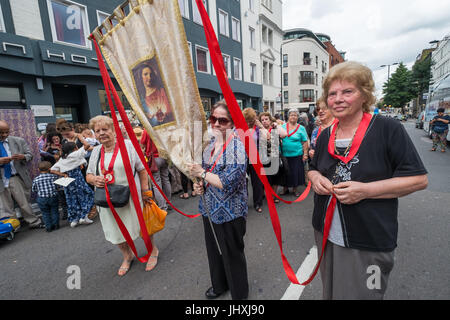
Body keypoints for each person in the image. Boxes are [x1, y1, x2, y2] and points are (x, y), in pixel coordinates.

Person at [308, 61, 428, 300]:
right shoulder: (325, 135)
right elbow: (312, 169)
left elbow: (418, 179)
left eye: (347, 91)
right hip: (326, 232)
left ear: (364, 94)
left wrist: (365, 191)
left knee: (365, 295)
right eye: (332, 94)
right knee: (330, 294)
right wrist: (315, 178)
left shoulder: (387, 129)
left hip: (368, 239)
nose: (338, 99)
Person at [188, 101, 249, 300]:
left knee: (232, 254)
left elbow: (227, 182)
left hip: (231, 211)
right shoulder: (210, 145)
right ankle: (219, 285)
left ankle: (239, 293)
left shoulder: (238, 147)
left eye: (222, 120)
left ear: (232, 123)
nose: (216, 124)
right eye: (213, 118)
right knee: (214, 251)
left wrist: (202, 173)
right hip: (209, 208)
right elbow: (207, 177)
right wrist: (199, 185)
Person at [86, 115, 158, 276]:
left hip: (132, 197)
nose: (102, 133)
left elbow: (142, 168)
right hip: (108, 200)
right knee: (115, 229)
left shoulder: (128, 146)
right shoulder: (96, 151)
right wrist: (94, 179)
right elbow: (88, 174)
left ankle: (152, 251)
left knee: (142, 225)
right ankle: (127, 256)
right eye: (98, 131)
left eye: (105, 129)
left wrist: (146, 190)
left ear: (113, 131)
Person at [0, 120, 43, 228]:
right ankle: (12, 227)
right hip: (1, 179)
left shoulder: (18, 141)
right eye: (1, 132)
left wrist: (23, 157)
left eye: (7, 132)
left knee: (24, 203)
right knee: (6, 207)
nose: (4, 135)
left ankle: (34, 222)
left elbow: (30, 155)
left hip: (15, 177)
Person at [51, 134, 95, 228]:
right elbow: (87, 145)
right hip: (78, 179)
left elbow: (52, 170)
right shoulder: (75, 154)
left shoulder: (62, 159)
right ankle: (84, 216)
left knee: (72, 199)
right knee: (88, 195)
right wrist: (80, 137)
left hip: (68, 181)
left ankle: (74, 219)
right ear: (74, 148)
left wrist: (63, 174)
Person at [242, 107, 267, 213]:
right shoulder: (240, 127)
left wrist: (260, 125)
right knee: (243, 181)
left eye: (250, 120)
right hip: (242, 157)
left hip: (255, 156)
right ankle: (243, 203)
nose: (248, 122)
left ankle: (258, 203)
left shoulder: (258, 128)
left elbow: (268, 136)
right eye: (247, 120)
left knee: (257, 182)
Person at [259, 112, 287, 203]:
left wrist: (277, 126)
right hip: (263, 156)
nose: (264, 121)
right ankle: (264, 194)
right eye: (262, 120)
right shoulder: (259, 130)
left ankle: (273, 195)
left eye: (266, 119)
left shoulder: (275, 128)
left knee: (275, 177)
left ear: (270, 120)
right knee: (265, 177)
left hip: (274, 156)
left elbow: (284, 134)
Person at [280, 109, 309, 197]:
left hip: (297, 155)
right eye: (291, 115)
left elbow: (305, 142)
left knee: (295, 172)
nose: (293, 117)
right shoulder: (282, 126)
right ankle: (285, 189)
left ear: (297, 117)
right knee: (284, 173)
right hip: (284, 154)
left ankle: (295, 189)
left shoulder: (301, 128)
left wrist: (305, 154)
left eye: (295, 115)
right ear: (288, 116)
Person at [136, 61, 175, 127]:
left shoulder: (162, 91)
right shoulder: (142, 99)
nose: (149, 77)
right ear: (141, 77)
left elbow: (171, 111)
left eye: (151, 74)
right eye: (145, 74)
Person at [32, 161, 60, 232]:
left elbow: (34, 189)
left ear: (38, 169)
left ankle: (48, 227)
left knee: (45, 213)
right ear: (50, 169)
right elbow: (58, 186)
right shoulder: (53, 176)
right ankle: (56, 224)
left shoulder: (36, 179)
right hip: (53, 196)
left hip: (42, 198)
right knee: (54, 211)